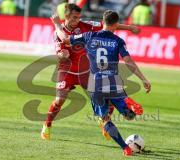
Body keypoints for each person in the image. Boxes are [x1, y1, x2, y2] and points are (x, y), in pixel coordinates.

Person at [55, 10, 151, 156]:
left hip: (95, 84)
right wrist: (143, 78)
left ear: (103, 21)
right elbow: (128, 62)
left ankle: (125, 148)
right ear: (116, 24)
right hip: (113, 82)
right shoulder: (118, 41)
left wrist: (56, 24)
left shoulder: (89, 36)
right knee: (129, 116)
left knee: (104, 119)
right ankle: (127, 102)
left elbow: (65, 39)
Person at [41, 3, 142, 140]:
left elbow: (107, 25)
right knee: (60, 99)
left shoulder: (85, 25)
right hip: (67, 70)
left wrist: (129, 28)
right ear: (66, 16)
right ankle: (47, 124)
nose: (77, 20)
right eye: (74, 17)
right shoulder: (57, 32)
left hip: (85, 71)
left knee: (106, 98)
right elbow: (60, 49)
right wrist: (62, 55)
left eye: (78, 17)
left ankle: (104, 121)